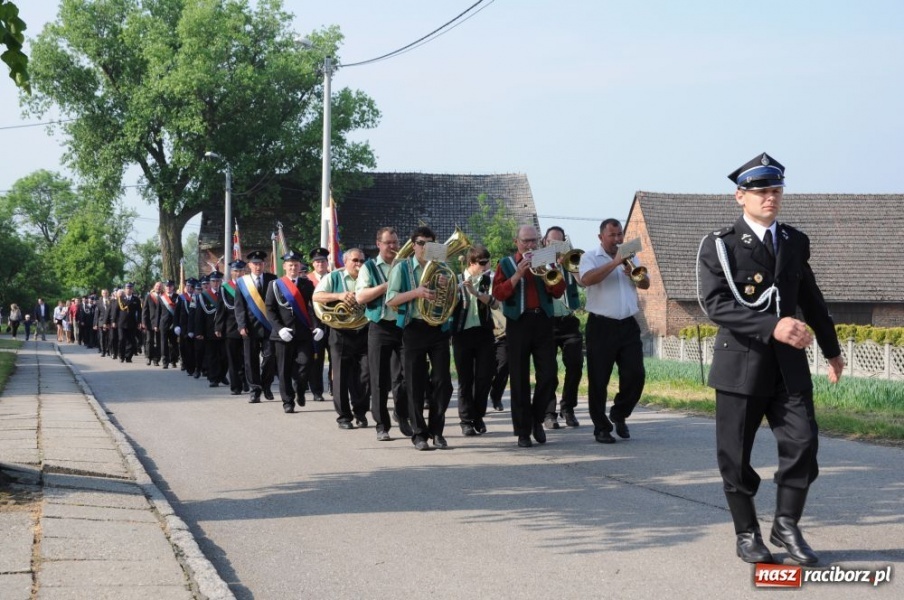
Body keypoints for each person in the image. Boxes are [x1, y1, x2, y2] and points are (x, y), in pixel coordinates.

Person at [697, 152, 844, 565]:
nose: (771, 198)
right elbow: (714, 304)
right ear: (740, 196)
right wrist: (772, 326)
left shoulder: (794, 241)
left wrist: (832, 350)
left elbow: (811, 298)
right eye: (761, 191)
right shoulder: (721, 244)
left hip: (788, 365)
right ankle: (747, 533)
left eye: (776, 190)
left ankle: (787, 525)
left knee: (804, 443)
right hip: (741, 365)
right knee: (735, 455)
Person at [493, 225, 567, 448]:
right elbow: (498, 294)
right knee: (519, 378)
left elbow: (558, 291)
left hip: (543, 320)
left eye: (534, 240)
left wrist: (548, 272)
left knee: (549, 375)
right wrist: (517, 274)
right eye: (526, 241)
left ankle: (536, 419)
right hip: (518, 323)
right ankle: (523, 431)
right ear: (516, 242)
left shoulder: (546, 261)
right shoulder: (506, 263)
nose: (530, 245)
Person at [578, 219, 649, 444]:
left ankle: (619, 414)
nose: (617, 239)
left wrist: (635, 274)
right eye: (612, 235)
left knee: (636, 375)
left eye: (620, 235)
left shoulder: (630, 256)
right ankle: (601, 427)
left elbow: (645, 284)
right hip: (601, 326)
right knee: (599, 379)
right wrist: (615, 263)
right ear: (601, 237)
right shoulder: (589, 257)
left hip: (628, 324)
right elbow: (586, 279)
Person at [386, 226, 454, 451]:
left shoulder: (443, 268)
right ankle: (419, 433)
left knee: (443, 382)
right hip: (413, 328)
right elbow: (391, 300)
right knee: (414, 383)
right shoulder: (402, 267)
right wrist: (416, 293)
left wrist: (446, 288)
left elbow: (453, 299)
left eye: (429, 243)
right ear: (413, 245)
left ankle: (437, 431)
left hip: (438, 328)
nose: (424, 247)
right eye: (420, 243)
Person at [356, 226, 412, 441]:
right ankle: (382, 425)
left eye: (395, 242)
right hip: (380, 326)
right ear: (378, 244)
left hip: (403, 325)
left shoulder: (406, 265)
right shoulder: (369, 267)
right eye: (388, 243)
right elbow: (361, 297)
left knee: (406, 375)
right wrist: (387, 286)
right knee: (379, 378)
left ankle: (402, 414)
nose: (393, 246)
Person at [313, 248, 370, 430]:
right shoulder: (334, 277)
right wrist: (339, 296)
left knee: (365, 374)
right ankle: (344, 417)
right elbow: (316, 296)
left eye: (362, 261)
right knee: (340, 377)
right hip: (340, 333)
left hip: (364, 331)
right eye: (355, 260)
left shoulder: (369, 277)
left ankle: (360, 412)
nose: (359, 264)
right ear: (345, 262)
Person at [265, 250, 324, 414]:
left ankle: (300, 387)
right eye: (290, 265)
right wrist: (279, 328)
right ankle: (288, 401)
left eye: (296, 265)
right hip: (283, 334)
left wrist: (318, 326)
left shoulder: (306, 284)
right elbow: (270, 310)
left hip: (303, 333)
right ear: (284, 266)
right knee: (284, 369)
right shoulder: (275, 285)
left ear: (300, 267)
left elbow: (313, 308)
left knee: (306, 362)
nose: (293, 268)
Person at [451, 245, 497, 437]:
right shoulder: (456, 279)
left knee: (484, 377)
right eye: (483, 263)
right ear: (471, 263)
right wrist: (456, 291)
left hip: (484, 333)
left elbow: (496, 303)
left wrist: (477, 293)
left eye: (488, 262)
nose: (487, 266)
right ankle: (466, 420)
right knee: (465, 379)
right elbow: (447, 305)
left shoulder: (488, 280)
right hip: (462, 334)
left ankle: (478, 415)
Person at [542, 226, 585, 429]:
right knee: (548, 369)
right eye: (552, 242)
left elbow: (583, 283)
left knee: (575, 364)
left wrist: (570, 266)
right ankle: (549, 412)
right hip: (546, 321)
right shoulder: (539, 262)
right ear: (545, 242)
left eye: (560, 242)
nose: (556, 246)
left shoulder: (570, 261)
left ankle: (568, 408)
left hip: (568, 320)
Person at [234, 251, 277, 403]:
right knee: (250, 360)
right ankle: (255, 390)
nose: (258, 267)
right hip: (250, 327)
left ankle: (266, 385)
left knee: (270, 357)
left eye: (260, 263)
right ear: (249, 265)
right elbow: (239, 306)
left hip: (269, 326)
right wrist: (241, 325)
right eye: (255, 264)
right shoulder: (242, 282)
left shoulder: (273, 279)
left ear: (264, 264)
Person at [217, 262, 249, 394]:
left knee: (247, 358)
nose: (238, 273)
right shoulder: (225, 288)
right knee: (233, 359)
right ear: (231, 272)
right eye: (235, 271)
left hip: (247, 327)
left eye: (240, 271)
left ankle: (246, 381)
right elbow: (221, 309)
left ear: (244, 272)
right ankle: (236, 386)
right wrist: (218, 327)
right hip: (231, 328)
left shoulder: (249, 285)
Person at [307, 247, 331, 402]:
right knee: (316, 359)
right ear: (313, 264)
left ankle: (334, 386)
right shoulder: (307, 280)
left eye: (322, 261)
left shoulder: (334, 277)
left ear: (327, 263)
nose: (320, 264)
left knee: (336, 358)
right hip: (315, 325)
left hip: (334, 324)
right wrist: (314, 325)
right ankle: (317, 391)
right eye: (317, 261)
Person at [195, 271, 227, 387]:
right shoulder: (204, 296)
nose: (216, 283)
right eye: (213, 281)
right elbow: (199, 315)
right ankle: (213, 378)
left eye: (218, 281)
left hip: (224, 329)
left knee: (224, 355)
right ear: (210, 282)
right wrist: (199, 332)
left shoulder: (225, 293)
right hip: (209, 330)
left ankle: (222, 375)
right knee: (212, 356)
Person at [110, 282, 142, 362]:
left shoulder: (136, 299)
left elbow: (139, 311)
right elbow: (116, 310)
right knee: (121, 339)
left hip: (132, 323)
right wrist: (113, 321)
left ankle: (128, 357)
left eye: (130, 288)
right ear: (125, 289)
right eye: (127, 288)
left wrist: (139, 322)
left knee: (131, 341)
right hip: (121, 323)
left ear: (132, 289)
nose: (129, 290)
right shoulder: (120, 298)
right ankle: (121, 355)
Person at [158, 280, 184, 369]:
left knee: (174, 343)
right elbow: (158, 312)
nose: (168, 288)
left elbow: (180, 311)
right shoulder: (161, 297)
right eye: (167, 286)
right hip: (164, 323)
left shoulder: (178, 297)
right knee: (164, 343)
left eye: (170, 286)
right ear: (165, 287)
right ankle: (165, 362)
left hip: (174, 323)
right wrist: (156, 324)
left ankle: (173, 360)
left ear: (173, 287)